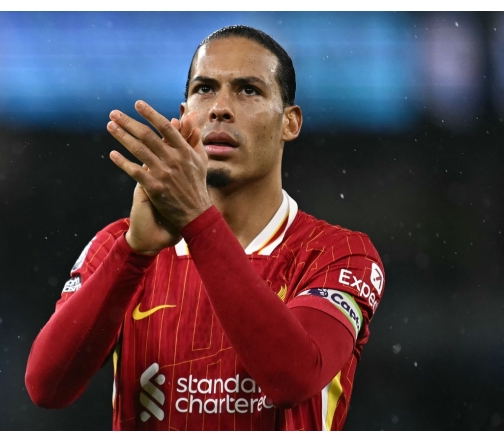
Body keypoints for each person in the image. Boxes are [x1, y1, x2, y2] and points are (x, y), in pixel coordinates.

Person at [25, 25, 385, 431]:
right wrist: (133, 253)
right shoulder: (119, 245)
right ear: (184, 118)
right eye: (205, 89)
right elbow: (47, 388)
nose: (220, 108)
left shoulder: (340, 254)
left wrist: (198, 222)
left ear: (290, 122)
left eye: (249, 90)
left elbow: (292, 378)